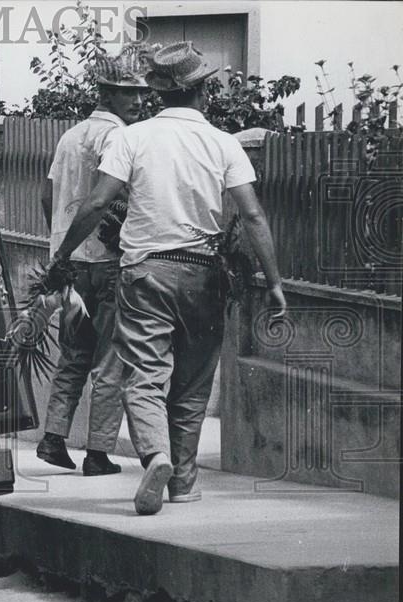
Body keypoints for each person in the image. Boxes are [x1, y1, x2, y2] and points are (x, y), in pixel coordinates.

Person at [53, 42, 287, 514]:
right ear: (203, 91)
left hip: (145, 273)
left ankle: (155, 454)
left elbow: (96, 204)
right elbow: (254, 216)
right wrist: (275, 282)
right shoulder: (224, 143)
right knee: (193, 384)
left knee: (145, 375)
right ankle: (182, 481)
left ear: (158, 93)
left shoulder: (132, 138)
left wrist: (62, 254)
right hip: (204, 273)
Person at [36, 46, 151, 475]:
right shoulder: (118, 136)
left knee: (73, 354)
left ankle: (53, 437)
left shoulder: (70, 135)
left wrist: (62, 246)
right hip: (106, 261)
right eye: (130, 94)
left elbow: (47, 196)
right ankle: (99, 452)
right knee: (110, 358)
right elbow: (112, 199)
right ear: (108, 93)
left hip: (71, 266)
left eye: (140, 94)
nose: (139, 101)